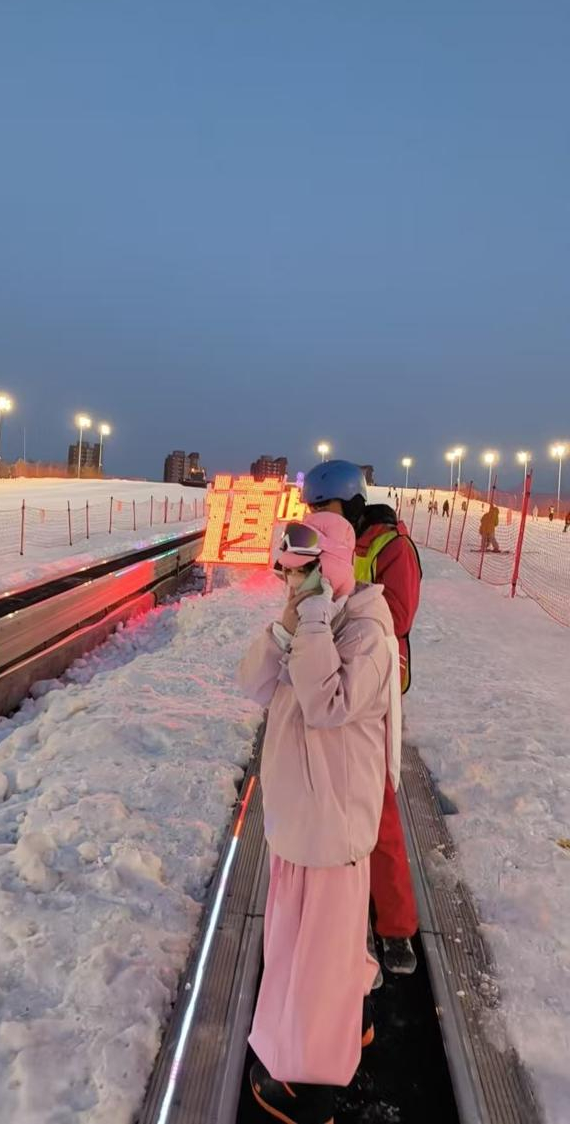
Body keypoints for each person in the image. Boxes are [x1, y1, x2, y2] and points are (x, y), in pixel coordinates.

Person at [238, 514, 399, 1124]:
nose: (291, 584)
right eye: (286, 574)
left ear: (330, 567)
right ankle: (346, 1024)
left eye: (302, 574)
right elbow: (253, 684)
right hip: (300, 818)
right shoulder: (316, 618)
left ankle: (308, 1084)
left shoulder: (366, 631)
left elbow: (328, 704)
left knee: (316, 960)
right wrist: (287, 625)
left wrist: (308, 621)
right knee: (314, 948)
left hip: (329, 825)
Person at [302, 461, 420, 977]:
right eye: (312, 509)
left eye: (324, 507)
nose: (317, 517)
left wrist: (346, 595)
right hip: (329, 679)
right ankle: (338, 913)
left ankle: (396, 927)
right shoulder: (324, 542)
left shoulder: (392, 547)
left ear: (350, 504)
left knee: (379, 807)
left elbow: (400, 616)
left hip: (372, 690)